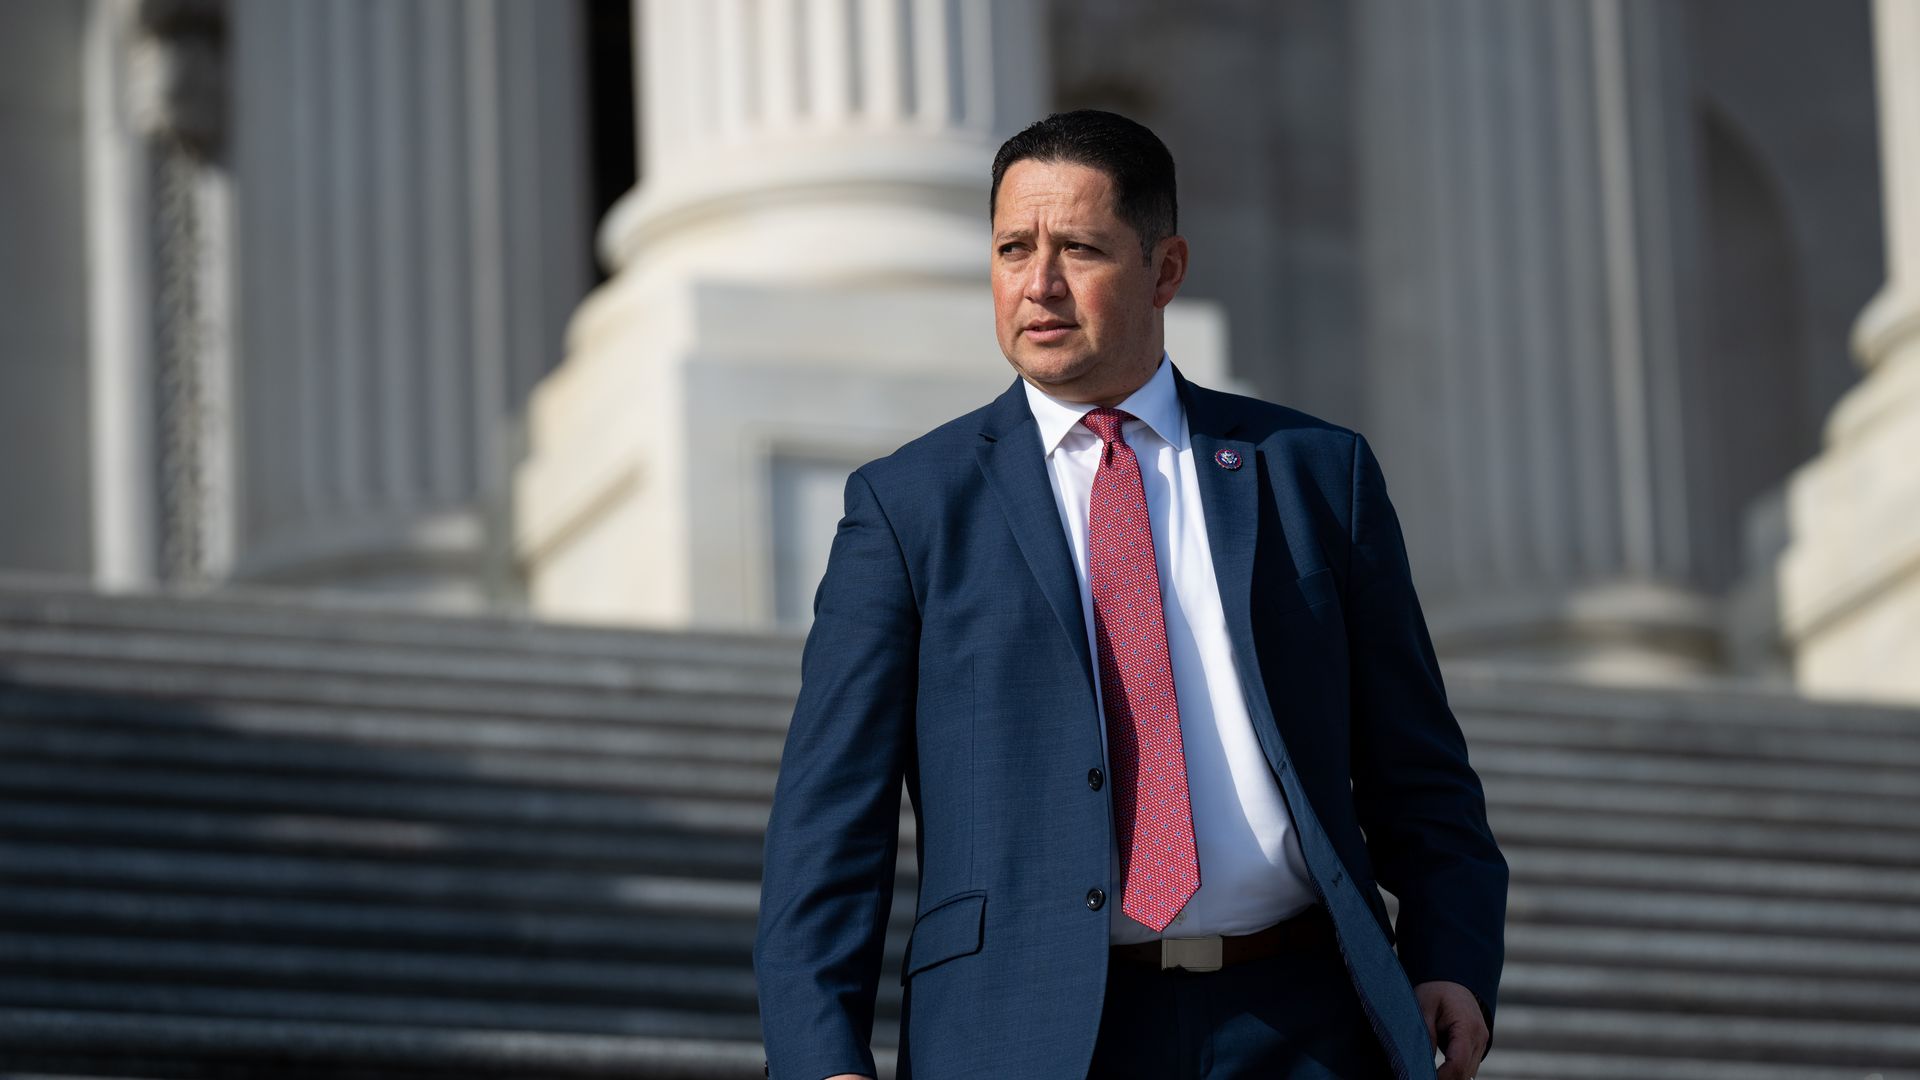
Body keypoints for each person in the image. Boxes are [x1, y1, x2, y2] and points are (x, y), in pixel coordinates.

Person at [753, 109, 1506, 1080]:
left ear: (1166, 269)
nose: (1039, 284)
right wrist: (821, 1055)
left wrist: (1450, 953)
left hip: (1301, 1024)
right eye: (1013, 248)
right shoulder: (909, 509)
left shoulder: (1315, 475)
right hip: (1020, 1033)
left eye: (1079, 249)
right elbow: (828, 822)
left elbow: (1420, 767)